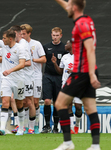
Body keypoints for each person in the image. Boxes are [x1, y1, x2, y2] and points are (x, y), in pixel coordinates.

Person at [54, 0, 101, 150]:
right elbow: (67, 5)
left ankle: (68, 143)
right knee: (90, 108)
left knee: (60, 103)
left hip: (82, 71)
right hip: (88, 70)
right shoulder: (86, 20)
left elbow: (90, 49)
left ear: (74, 8)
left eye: (68, 6)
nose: (66, 7)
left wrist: (92, 74)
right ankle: (95, 146)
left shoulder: (81, 25)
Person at [51, 40, 82, 134]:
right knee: (68, 105)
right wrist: (54, 63)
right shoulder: (65, 57)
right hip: (66, 84)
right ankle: (71, 128)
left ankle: (76, 125)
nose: (65, 45)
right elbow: (60, 71)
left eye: (67, 43)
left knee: (78, 107)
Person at [20, 24, 46, 134]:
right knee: (25, 102)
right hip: (25, 76)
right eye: (20, 33)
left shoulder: (36, 44)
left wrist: (32, 59)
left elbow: (44, 59)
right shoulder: (19, 45)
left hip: (36, 76)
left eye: (24, 34)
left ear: (29, 33)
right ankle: (25, 126)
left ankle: (35, 126)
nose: (22, 35)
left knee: (35, 101)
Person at [41, 27, 66, 134]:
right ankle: (47, 125)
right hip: (48, 76)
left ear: (61, 35)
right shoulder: (46, 47)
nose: (55, 37)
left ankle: (55, 127)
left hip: (59, 77)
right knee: (47, 101)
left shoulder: (65, 48)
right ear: (51, 35)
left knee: (57, 103)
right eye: (53, 35)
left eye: (57, 35)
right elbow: (42, 60)